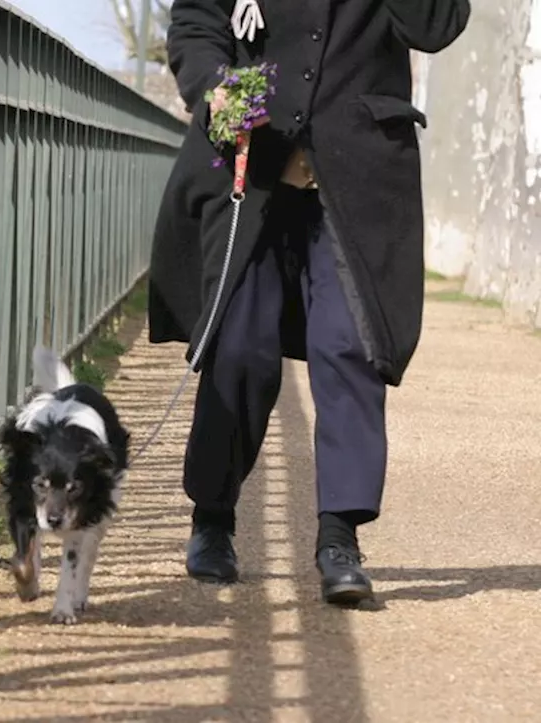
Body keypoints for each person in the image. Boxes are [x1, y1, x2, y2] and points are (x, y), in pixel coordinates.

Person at [147, 0, 471, 604]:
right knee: (240, 346)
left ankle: (339, 536)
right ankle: (213, 519)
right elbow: (197, 22)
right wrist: (214, 86)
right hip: (251, 168)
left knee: (349, 345)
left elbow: (437, 27)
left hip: (356, 171)